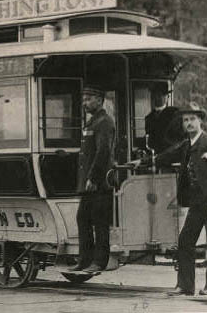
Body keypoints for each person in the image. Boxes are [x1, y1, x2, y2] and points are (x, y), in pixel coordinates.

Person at [135, 102, 207, 296]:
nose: (189, 123)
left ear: (200, 121)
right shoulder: (186, 145)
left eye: (192, 119)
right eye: (185, 120)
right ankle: (185, 286)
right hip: (196, 203)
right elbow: (166, 156)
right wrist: (143, 162)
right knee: (185, 240)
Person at [70, 85, 116, 274]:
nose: (85, 103)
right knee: (83, 218)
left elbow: (103, 152)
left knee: (99, 222)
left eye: (89, 99)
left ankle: (99, 262)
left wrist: (93, 178)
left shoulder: (104, 122)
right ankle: (84, 260)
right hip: (90, 183)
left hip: (99, 183)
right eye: (84, 99)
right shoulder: (93, 122)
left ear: (100, 100)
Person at [144, 84, 185, 158]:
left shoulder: (175, 113)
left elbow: (181, 138)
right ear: (153, 97)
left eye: (162, 95)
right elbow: (149, 140)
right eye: (156, 95)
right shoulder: (149, 118)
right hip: (156, 156)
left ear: (168, 97)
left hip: (173, 155)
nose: (159, 97)